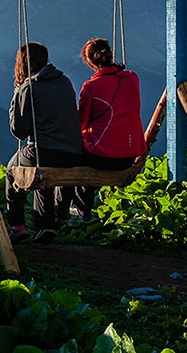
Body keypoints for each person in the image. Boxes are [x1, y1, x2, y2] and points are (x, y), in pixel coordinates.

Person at [57, 37, 147, 220]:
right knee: (88, 151)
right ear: (111, 55)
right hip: (129, 156)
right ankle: (80, 207)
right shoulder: (133, 78)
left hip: (103, 157)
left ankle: (68, 210)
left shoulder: (91, 87)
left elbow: (81, 123)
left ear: (90, 64)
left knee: (70, 155)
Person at [6, 42, 84, 244]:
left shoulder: (29, 87)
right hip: (73, 152)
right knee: (42, 168)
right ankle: (48, 224)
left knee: (12, 169)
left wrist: (16, 97)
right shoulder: (65, 81)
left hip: (45, 150)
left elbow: (19, 131)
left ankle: (17, 226)